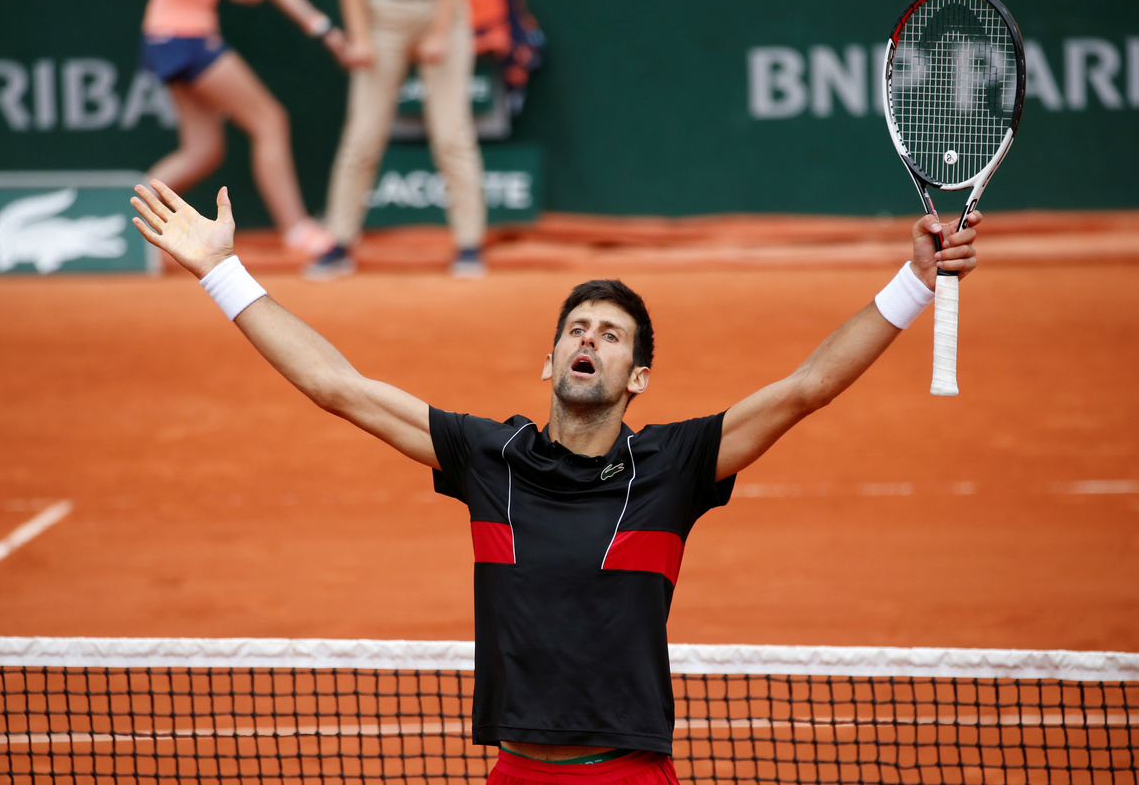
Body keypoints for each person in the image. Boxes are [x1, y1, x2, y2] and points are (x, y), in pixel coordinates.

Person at [130, 179, 979, 784]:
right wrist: (221, 272)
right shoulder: (487, 457)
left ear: (637, 377)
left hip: (627, 773)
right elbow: (337, 387)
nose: (589, 339)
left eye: (611, 335)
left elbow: (806, 388)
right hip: (516, 771)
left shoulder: (674, 467)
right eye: (577, 328)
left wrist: (915, 281)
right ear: (550, 360)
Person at [141, 0, 346, 258]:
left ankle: (124, 215)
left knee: (202, 151)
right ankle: (296, 229)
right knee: (269, 121)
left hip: (171, 37)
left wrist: (325, 31)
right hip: (184, 38)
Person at [307, 0, 488, 279]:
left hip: (443, 7)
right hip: (384, 14)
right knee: (362, 137)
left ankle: (470, 245)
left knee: (453, 136)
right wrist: (360, 37)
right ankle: (339, 243)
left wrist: (439, 32)